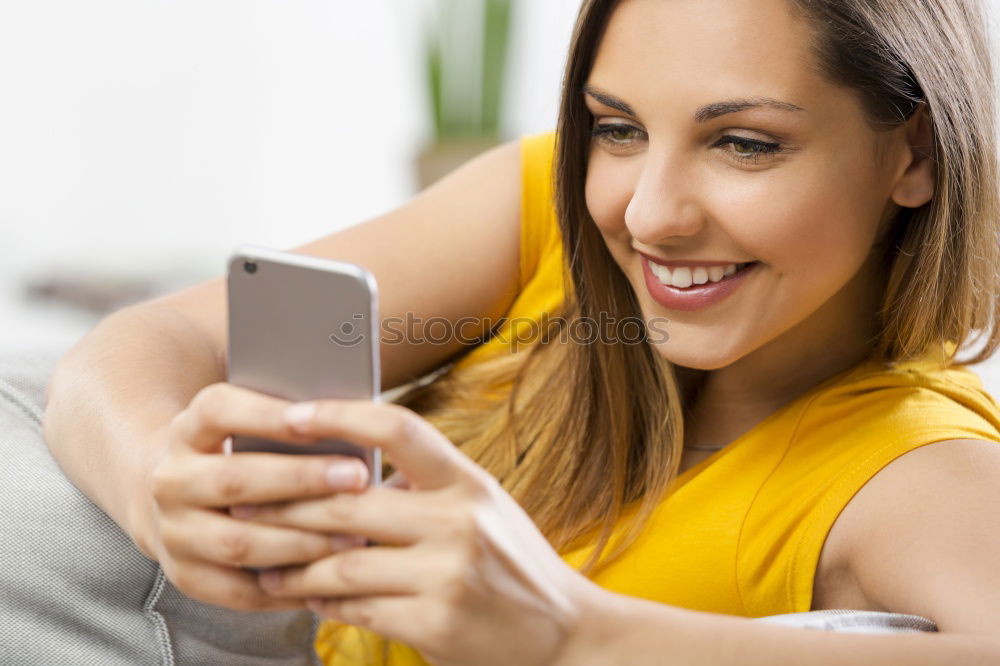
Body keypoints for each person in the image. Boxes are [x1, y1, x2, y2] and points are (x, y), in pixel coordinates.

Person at [42, 0, 1000, 663]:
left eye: (744, 143)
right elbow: (126, 352)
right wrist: (156, 485)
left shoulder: (915, 471)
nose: (650, 215)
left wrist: (573, 637)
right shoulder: (555, 213)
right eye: (617, 129)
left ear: (912, 152)